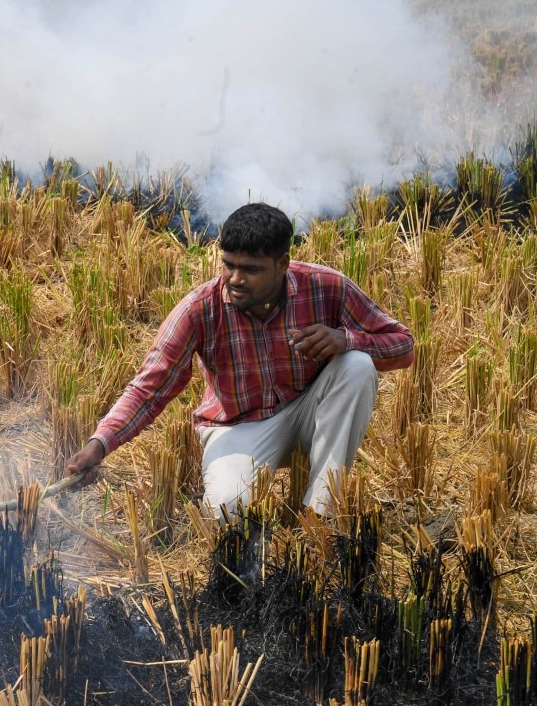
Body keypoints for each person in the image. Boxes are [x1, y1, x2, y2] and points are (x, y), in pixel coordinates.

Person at [64, 202, 414, 518]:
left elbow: (403, 345)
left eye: (250, 269)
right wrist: (100, 444)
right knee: (228, 512)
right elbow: (149, 388)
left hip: (311, 415)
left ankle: (320, 514)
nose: (234, 279)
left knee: (357, 364)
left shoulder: (326, 286)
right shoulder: (199, 309)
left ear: (282, 265)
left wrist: (345, 339)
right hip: (237, 426)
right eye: (228, 265)